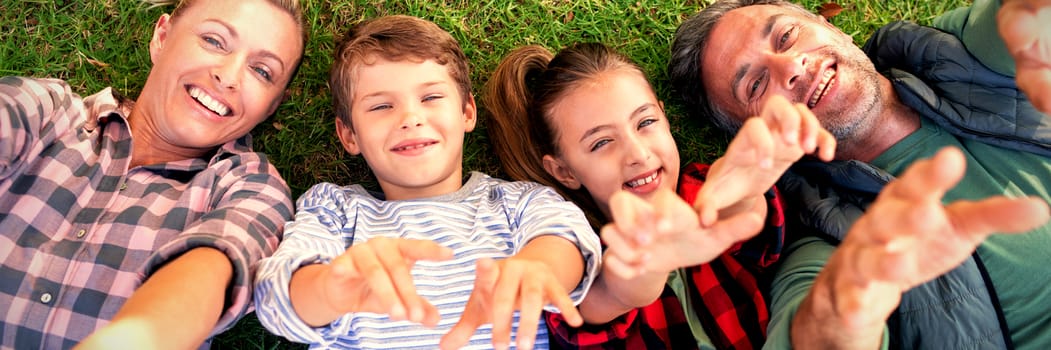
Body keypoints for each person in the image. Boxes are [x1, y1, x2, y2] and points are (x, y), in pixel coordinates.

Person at [669, 0, 1051, 348]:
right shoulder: (823, 242)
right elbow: (814, 331)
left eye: (786, 36)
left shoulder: (955, 52)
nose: (790, 68)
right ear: (753, 136)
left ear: (831, 27)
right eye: (756, 84)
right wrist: (840, 317)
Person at [252, 15, 602, 350]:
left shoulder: (516, 202)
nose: (410, 118)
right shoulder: (336, 212)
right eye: (381, 106)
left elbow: (568, 237)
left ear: (466, 112)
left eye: (431, 97)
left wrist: (539, 268)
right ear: (349, 135)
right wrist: (331, 289)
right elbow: (274, 298)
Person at [483, 42, 836, 349]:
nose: (637, 153)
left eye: (645, 122)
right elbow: (606, 297)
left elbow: (745, 227)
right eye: (602, 142)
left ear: (665, 119)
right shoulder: (574, 249)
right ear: (564, 171)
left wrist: (744, 191)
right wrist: (653, 258)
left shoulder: (700, 187)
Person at [0, 0, 305, 349]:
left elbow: (210, 272)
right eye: (214, 40)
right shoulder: (46, 112)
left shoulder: (252, 188)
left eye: (262, 71)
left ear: (272, 106)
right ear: (161, 37)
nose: (229, 76)